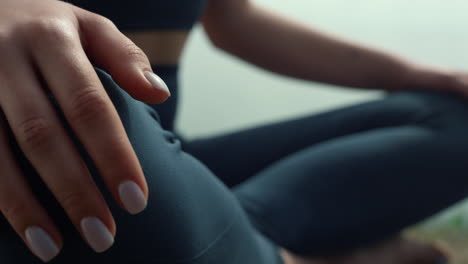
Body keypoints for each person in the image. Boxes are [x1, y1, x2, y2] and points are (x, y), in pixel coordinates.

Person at [0, 0, 467, 263]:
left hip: (173, 164)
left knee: (457, 118)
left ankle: (242, 238)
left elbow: (230, 19)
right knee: (72, 112)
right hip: (84, 158)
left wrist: (425, 75)